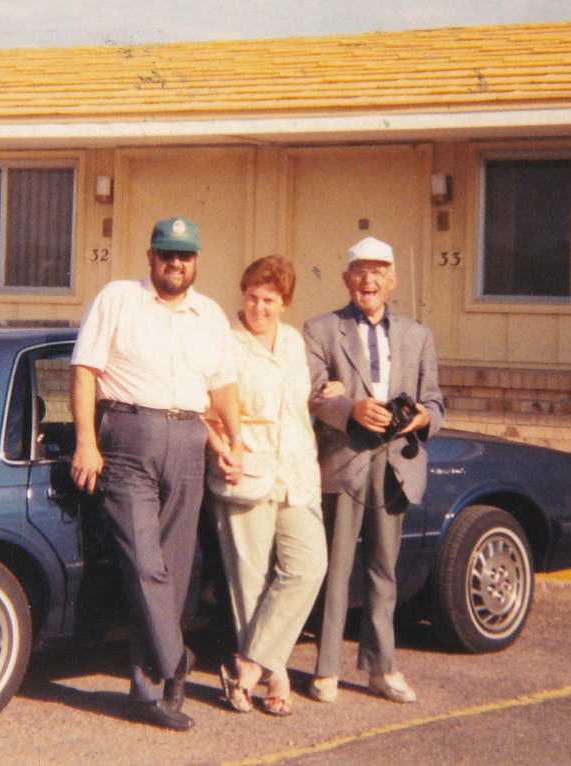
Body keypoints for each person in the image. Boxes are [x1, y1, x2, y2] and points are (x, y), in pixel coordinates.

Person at [70, 216, 243, 732]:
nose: (175, 263)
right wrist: (86, 441)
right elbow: (84, 371)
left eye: (185, 256)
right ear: (150, 257)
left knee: (175, 566)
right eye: (167, 253)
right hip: (129, 436)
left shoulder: (208, 314)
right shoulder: (118, 298)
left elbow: (222, 385)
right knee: (145, 563)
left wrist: (232, 440)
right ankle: (176, 660)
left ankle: (153, 693)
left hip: (190, 437)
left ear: (196, 262)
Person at [303, 236, 444, 704]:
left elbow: (436, 401)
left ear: (392, 280)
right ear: (347, 279)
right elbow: (313, 395)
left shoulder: (418, 336)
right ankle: (325, 669)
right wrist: (351, 410)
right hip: (346, 459)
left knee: (384, 569)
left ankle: (381, 669)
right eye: (360, 271)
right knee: (336, 568)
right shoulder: (322, 329)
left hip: (396, 464)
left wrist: (424, 417)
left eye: (378, 271)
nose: (369, 280)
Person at [204, 255, 329, 717]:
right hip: (246, 471)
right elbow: (201, 406)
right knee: (251, 584)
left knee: (309, 566)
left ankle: (247, 664)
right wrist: (219, 446)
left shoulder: (294, 342)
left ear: (285, 303)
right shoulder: (224, 342)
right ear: (243, 295)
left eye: (270, 300)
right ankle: (276, 676)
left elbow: (298, 403)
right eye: (253, 297)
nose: (259, 307)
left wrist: (328, 392)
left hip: (297, 473)